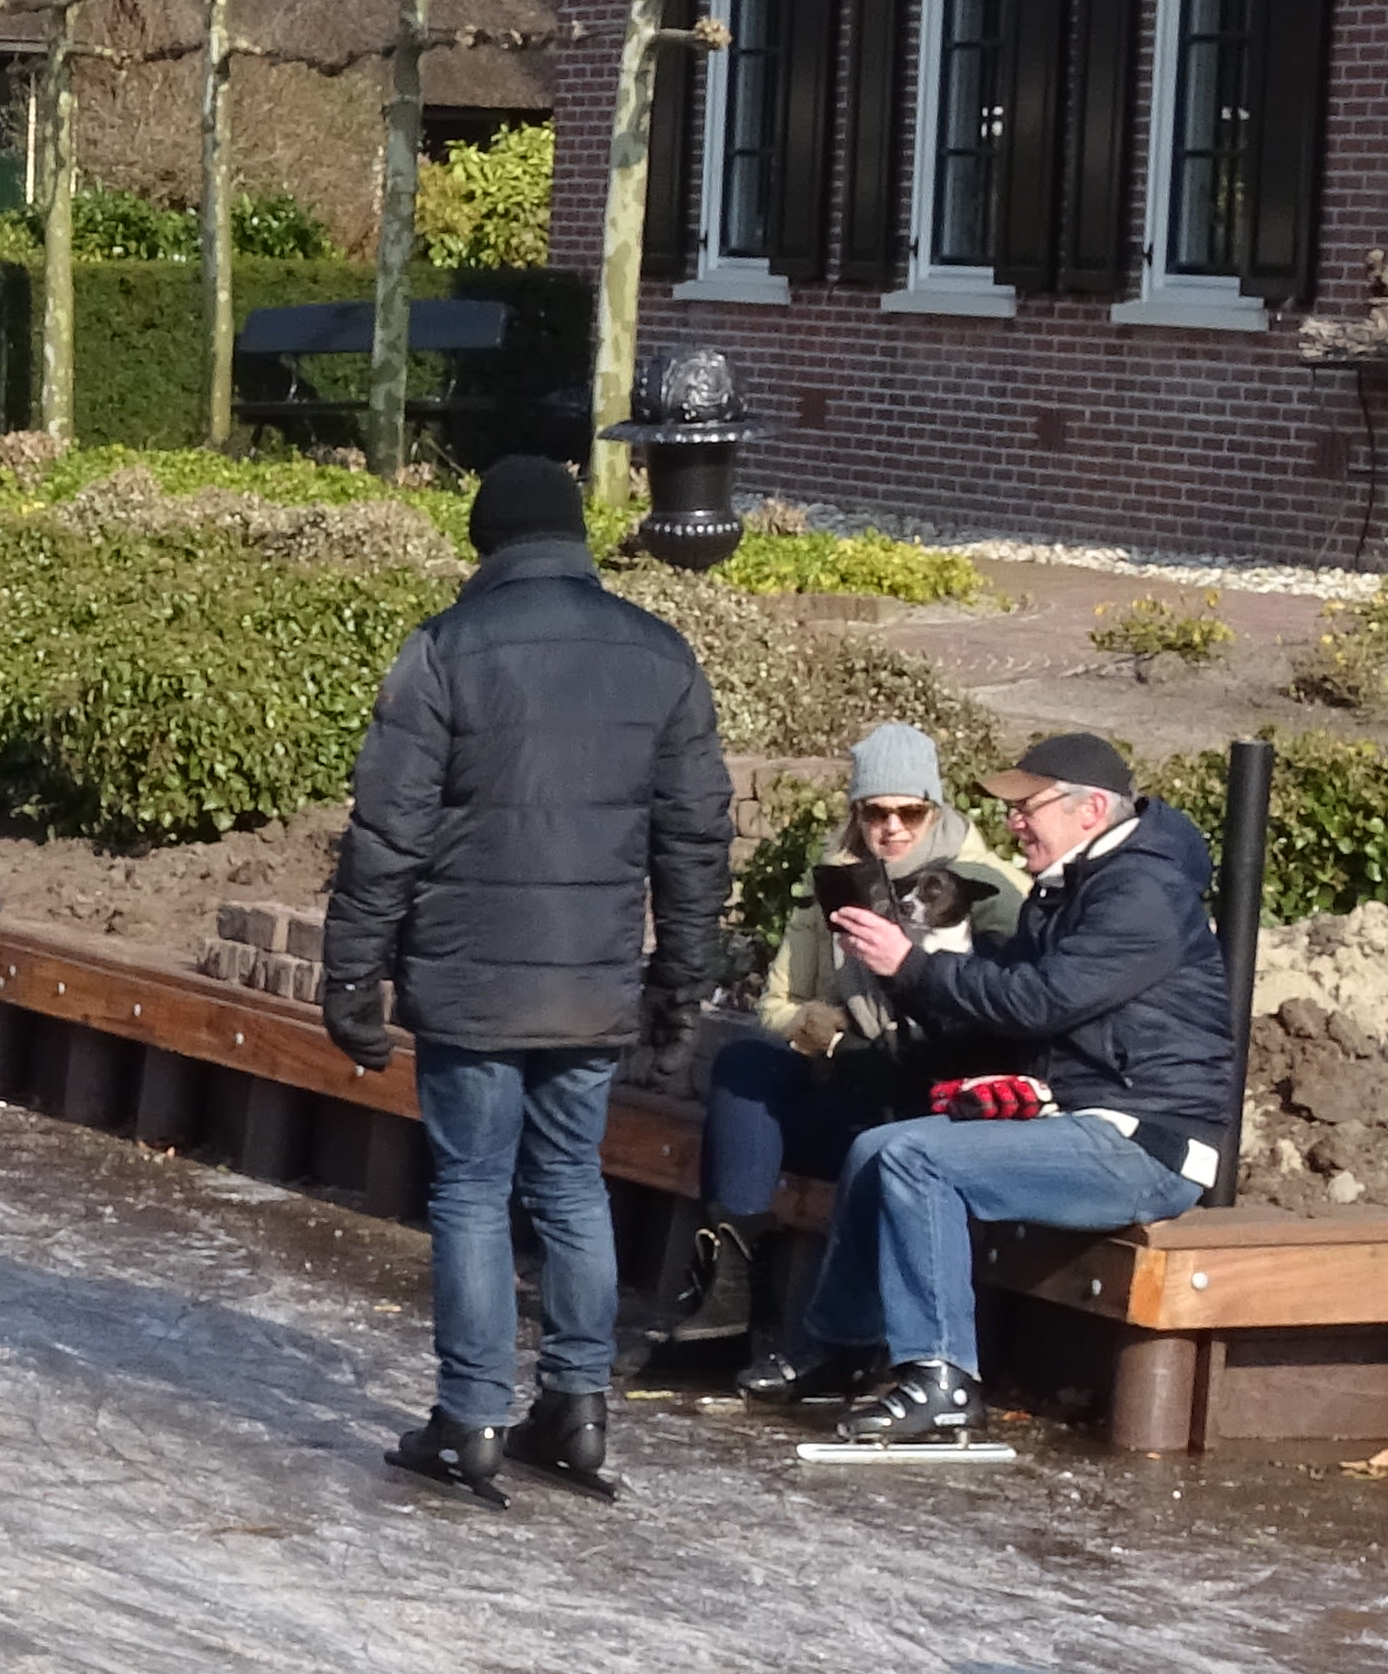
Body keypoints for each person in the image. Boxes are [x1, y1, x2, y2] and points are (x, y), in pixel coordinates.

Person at [320, 453, 731, 1507]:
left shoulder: (447, 650)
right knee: (570, 1183)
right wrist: (679, 989)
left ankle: (471, 1414)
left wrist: (351, 967)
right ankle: (579, 1405)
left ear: (485, 542)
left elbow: (388, 832)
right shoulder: (661, 656)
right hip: (591, 982)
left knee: (469, 1188)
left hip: (470, 976)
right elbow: (695, 845)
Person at [775, 733, 1237, 1442]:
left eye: (1028, 806)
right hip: (1076, 1123)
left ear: (1088, 811)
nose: (1014, 822)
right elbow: (997, 1016)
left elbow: (1040, 1001)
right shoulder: (1065, 889)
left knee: (916, 1160)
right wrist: (902, 997)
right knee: (877, 1147)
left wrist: (910, 966)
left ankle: (941, 1379)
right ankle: (840, 1348)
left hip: (1146, 1141)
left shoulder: (1142, 892)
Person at [684, 721, 1029, 1369]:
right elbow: (776, 1008)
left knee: (885, 1133)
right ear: (857, 813)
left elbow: (1009, 1011)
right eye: (876, 812)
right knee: (745, 1068)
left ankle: (850, 1348)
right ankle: (724, 1304)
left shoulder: (986, 887)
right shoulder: (836, 884)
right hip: (848, 1075)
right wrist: (817, 1023)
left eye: (910, 811)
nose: (893, 826)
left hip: (930, 1092)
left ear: (936, 808)